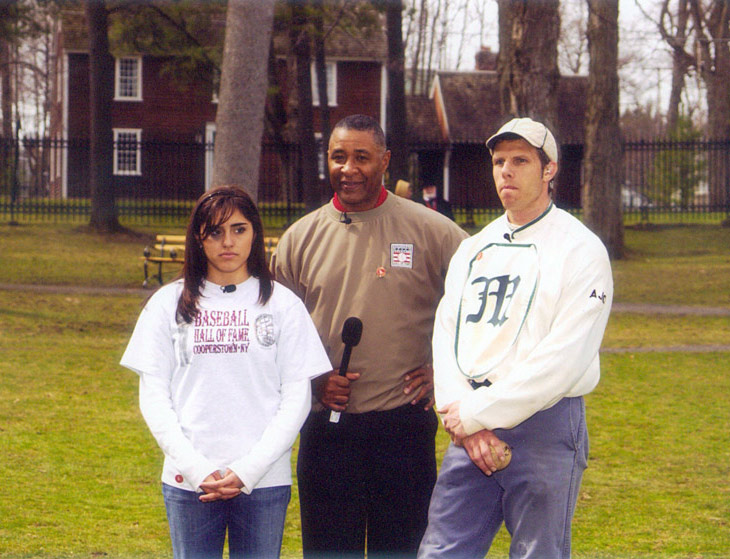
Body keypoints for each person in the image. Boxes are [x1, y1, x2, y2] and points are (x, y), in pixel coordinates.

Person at [271, 114, 468, 559]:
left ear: (385, 161)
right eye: (339, 157)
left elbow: (481, 306)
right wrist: (313, 381)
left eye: (362, 157)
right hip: (326, 430)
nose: (349, 168)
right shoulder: (300, 240)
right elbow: (275, 336)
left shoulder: (433, 232)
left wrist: (447, 371)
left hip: (403, 427)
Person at [418, 117, 613, 559]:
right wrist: (464, 420)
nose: (506, 170)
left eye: (521, 160)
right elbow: (446, 335)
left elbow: (563, 359)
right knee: (442, 550)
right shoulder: (474, 248)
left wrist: (476, 416)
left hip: (544, 422)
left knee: (537, 552)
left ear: (549, 170)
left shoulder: (580, 249)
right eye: (499, 160)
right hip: (469, 423)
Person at [120, 186, 331, 559]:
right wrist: (196, 467)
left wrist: (250, 468)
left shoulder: (283, 305)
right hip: (189, 480)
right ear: (198, 239)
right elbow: (154, 397)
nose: (228, 242)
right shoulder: (166, 304)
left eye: (239, 229)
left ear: (255, 233)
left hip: (264, 480)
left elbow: (296, 398)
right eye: (215, 232)